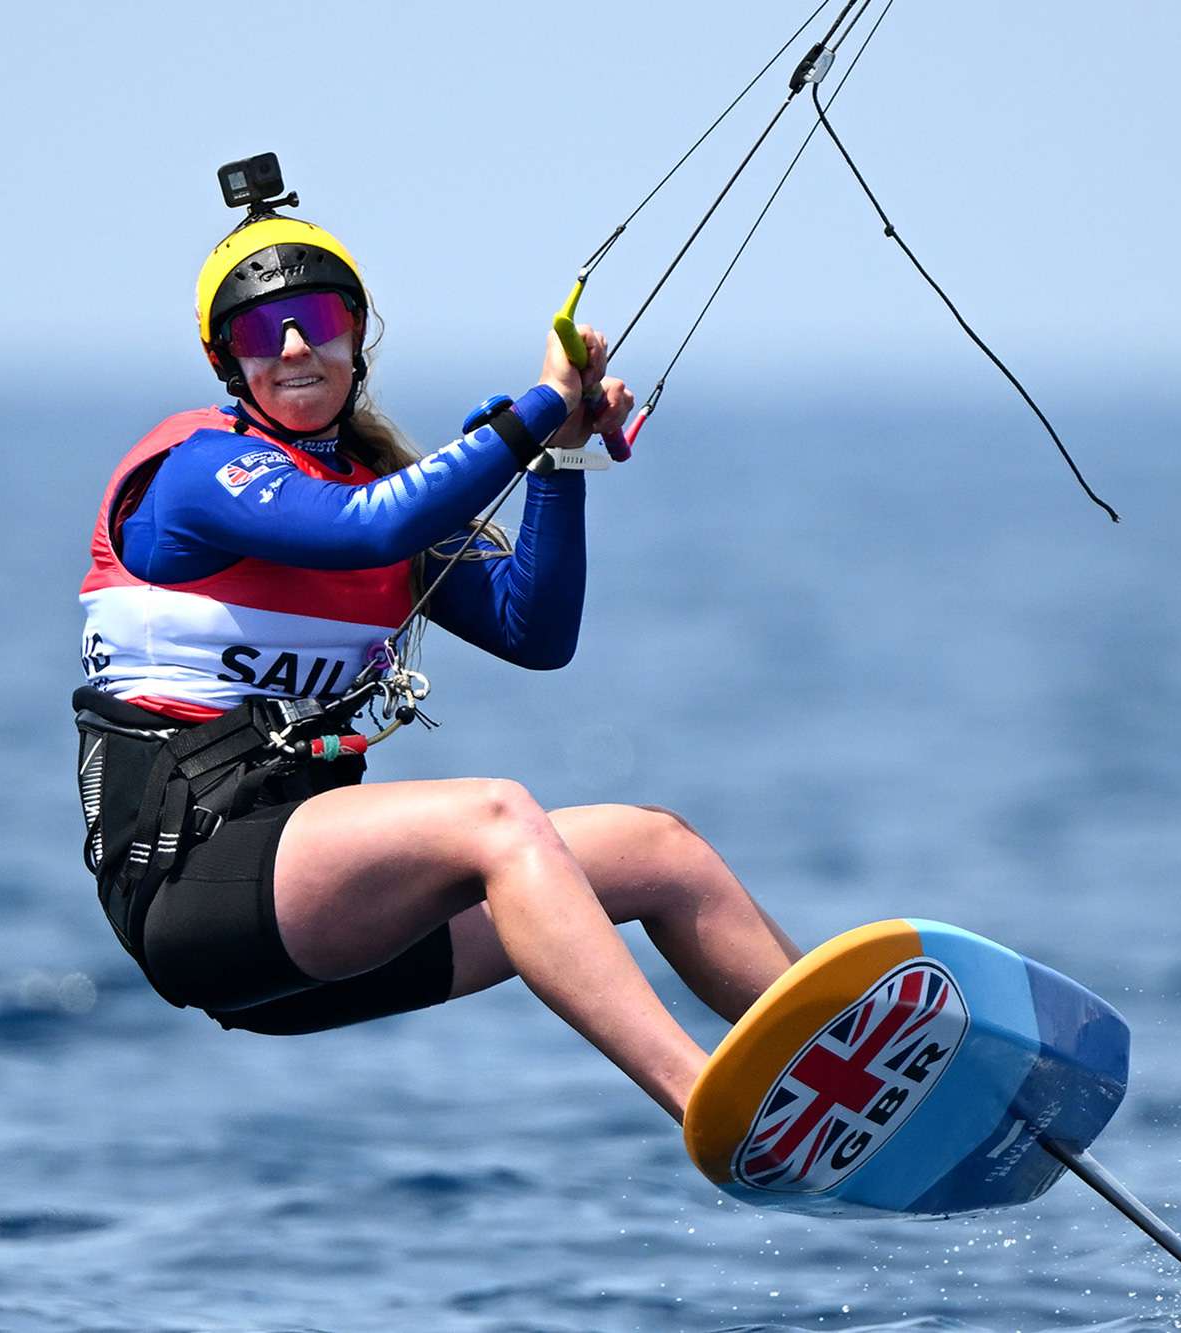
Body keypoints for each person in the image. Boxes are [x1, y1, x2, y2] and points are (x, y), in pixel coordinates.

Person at [73, 189, 802, 1121]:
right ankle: (712, 1103)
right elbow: (368, 527)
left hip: (328, 920)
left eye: (320, 319)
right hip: (193, 889)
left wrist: (560, 461)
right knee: (496, 817)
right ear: (228, 361)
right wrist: (543, 406)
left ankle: (849, 1064)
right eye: (263, 332)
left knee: (659, 850)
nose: (295, 346)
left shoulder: (377, 488)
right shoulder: (196, 470)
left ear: (357, 336)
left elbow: (534, 634)